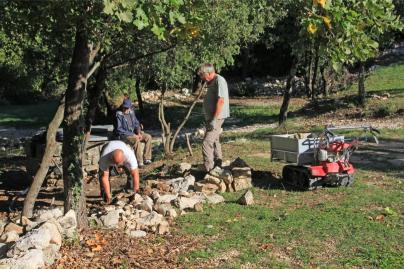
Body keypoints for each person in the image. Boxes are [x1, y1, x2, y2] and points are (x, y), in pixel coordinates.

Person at [198, 63, 230, 172]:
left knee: (207, 143)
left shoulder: (219, 81)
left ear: (210, 72)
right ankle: (218, 166)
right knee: (215, 140)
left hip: (217, 118)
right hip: (211, 118)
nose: (201, 78)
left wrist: (214, 119)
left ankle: (209, 170)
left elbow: (221, 101)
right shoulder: (211, 82)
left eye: (202, 75)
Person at [114, 98, 153, 168]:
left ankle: (147, 158)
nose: (126, 109)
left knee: (148, 137)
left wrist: (138, 132)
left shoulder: (131, 113)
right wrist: (133, 135)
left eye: (127, 108)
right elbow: (119, 129)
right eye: (124, 107)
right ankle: (140, 162)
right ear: (122, 106)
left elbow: (136, 123)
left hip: (134, 133)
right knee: (136, 141)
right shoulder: (119, 115)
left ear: (130, 107)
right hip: (125, 135)